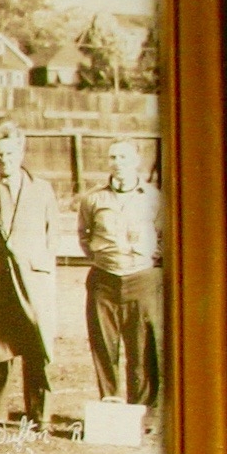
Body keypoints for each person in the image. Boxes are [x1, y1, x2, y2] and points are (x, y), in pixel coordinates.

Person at [0, 126, 59, 431]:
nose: (5, 159)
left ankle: (40, 416)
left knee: (38, 345)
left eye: (10, 153)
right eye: (0, 154)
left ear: (21, 153)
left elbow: (53, 235)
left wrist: (36, 266)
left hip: (33, 280)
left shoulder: (42, 189)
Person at [77, 139, 161, 407]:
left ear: (137, 160)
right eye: (113, 157)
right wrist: (104, 257)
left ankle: (142, 409)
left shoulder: (155, 198)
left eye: (124, 157)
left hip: (142, 279)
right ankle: (110, 405)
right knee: (104, 346)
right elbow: (84, 235)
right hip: (104, 279)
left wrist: (147, 257)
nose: (118, 163)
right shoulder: (93, 198)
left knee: (142, 349)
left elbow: (166, 235)